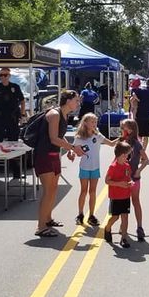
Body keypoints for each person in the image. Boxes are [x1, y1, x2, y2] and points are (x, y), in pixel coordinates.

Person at [34, 90, 85, 238]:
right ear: (68, 100)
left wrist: (69, 149)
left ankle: (48, 220)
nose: (78, 103)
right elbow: (53, 138)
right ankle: (41, 227)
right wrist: (73, 148)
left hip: (54, 155)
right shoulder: (54, 114)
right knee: (48, 191)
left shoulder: (64, 115)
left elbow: (60, 136)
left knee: (53, 189)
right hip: (44, 156)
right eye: (76, 100)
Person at [67, 113, 117, 227]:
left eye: (95, 122)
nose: (94, 124)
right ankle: (80, 214)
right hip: (84, 167)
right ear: (85, 123)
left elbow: (111, 144)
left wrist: (123, 136)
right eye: (92, 122)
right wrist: (71, 154)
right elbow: (72, 150)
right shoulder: (79, 138)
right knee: (84, 191)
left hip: (95, 167)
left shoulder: (97, 136)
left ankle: (91, 215)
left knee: (93, 192)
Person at [0, 67, 26, 180]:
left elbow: (22, 101)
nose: (3, 77)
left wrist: (22, 115)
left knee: (13, 144)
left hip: (12, 119)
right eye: (1, 75)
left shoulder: (15, 87)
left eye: (5, 75)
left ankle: (16, 172)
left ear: (9, 76)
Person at [121, 119, 149, 241]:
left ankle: (139, 226)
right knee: (123, 202)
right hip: (122, 178)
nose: (122, 130)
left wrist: (139, 170)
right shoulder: (122, 142)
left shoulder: (136, 144)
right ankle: (123, 226)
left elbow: (146, 159)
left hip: (133, 178)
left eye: (123, 128)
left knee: (135, 201)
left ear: (130, 130)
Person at [103, 142, 135, 248]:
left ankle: (124, 238)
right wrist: (119, 184)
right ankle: (107, 228)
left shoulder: (126, 166)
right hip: (116, 196)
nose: (126, 157)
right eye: (124, 155)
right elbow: (107, 181)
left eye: (127, 155)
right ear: (118, 155)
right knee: (115, 217)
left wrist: (130, 181)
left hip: (125, 195)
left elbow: (128, 176)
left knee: (125, 217)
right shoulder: (113, 167)